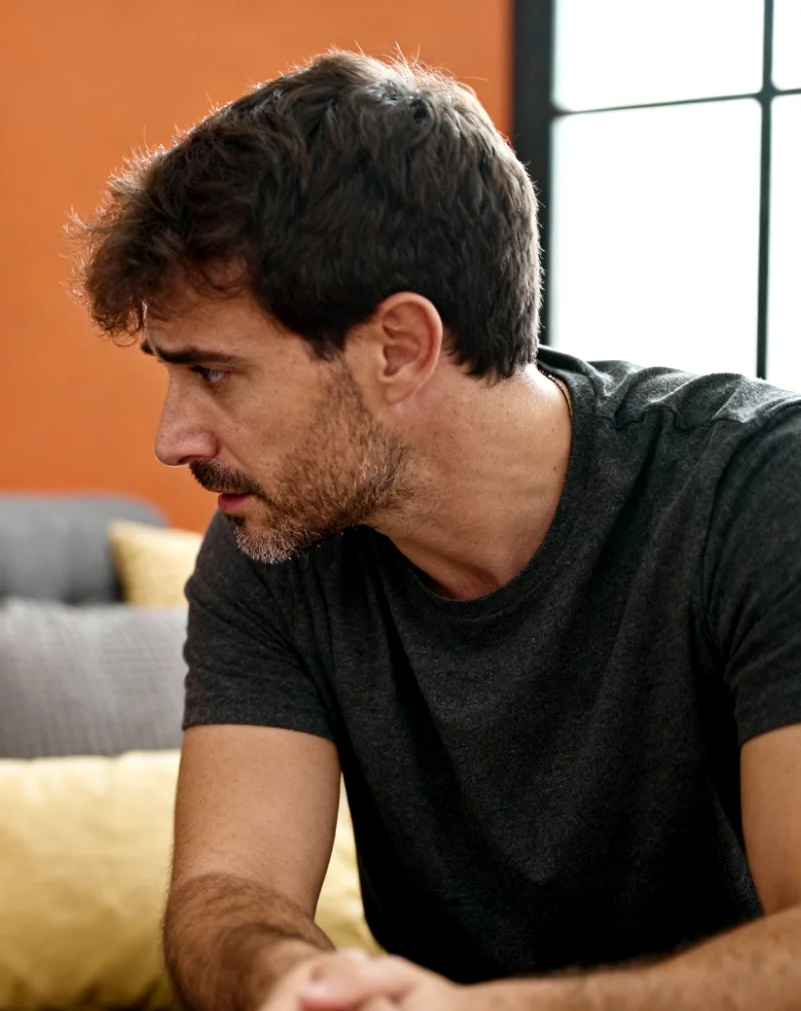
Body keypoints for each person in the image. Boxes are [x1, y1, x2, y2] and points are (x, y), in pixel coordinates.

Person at [75, 51, 801, 1011]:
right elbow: (229, 889)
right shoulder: (275, 532)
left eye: (214, 372)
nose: (173, 440)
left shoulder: (759, 491)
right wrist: (294, 977)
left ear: (401, 347)